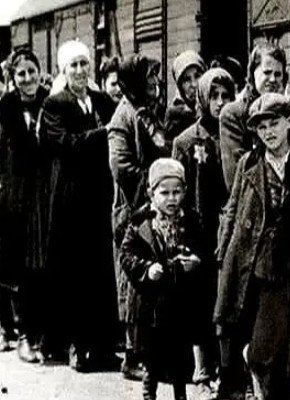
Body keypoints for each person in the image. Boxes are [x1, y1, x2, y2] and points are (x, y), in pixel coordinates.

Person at [214, 93, 290, 400]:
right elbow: (234, 211)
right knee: (263, 351)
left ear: (289, 122)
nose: (268, 132)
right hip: (265, 271)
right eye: (261, 127)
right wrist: (225, 257)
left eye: (274, 123)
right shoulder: (249, 164)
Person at [38, 40, 118, 370]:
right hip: (70, 199)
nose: (80, 71)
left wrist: (105, 134)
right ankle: (76, 346)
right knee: (73, 272)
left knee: (100, 269)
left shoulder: (101, 100)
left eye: (84, 63)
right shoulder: (54, 104)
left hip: (99, 194)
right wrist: (103, 133)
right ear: (63, 70)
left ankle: (103, 346)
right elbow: (66, 144)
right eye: (73, 65)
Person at [120, 158, 208, 400]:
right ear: (151, 193)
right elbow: (126, 255)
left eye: (177, 192)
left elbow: (204, 248)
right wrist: (146, 269)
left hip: (180, 302)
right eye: (165, 193)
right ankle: (149, 394)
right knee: (152, 359)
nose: (172, 199)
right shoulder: (141, 222)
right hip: (151, 305)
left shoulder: (191, 220)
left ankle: (181, 395)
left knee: (180, 357)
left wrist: (196, 261)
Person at [172, 67, 235, 389]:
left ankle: (226, 368)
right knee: (199, 299)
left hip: (228, 228)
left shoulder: (236, 136)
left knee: (224, 299)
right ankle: (201, 368)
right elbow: (178, 188)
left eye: (226, 96)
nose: (221, 102)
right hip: (199, 228)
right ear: (202, 98)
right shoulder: (187, 140)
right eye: (214, 96)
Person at [108, 53, 168, 380]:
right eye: (149, 77)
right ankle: (132, 355)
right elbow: (121, 168)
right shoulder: (123, 117)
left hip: (154, 205)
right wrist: (155, 180)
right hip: (133, 210)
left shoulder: (148, 111)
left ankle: (150, 351)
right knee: (133, 281)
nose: (155, 82)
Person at [0, 49, 49, 362]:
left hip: (45, 191)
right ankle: (22, 335)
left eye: (32, 71)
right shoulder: (5, 108)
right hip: (15, 194)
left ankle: (44, 333)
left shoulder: (50, 101)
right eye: (21, 73)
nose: (28, 78)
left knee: (43, 264)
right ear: (13, 78)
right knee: (18, 265)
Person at [220, 42, 287, 192]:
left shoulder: (287, 113)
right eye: (267, 72)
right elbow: (236, 178)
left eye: (278, 74)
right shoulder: (233, 114)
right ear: (252, 73)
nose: (273, 79)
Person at [165, 50, 207, 144]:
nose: (194, 84)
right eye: (187, 79)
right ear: (180, 86)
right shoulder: (175, 116)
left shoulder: (215, 105)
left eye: (197, 76)